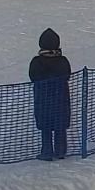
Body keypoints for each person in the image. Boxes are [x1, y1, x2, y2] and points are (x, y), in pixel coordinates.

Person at [29, 28, 72, 161]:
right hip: (61, 100)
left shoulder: (37, 61)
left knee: (46, 126)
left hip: (43, 100)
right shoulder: (63, 60)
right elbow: (67, 75)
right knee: (60, 126)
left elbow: (33, 77)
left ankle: (46, 152)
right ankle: (61, 151)